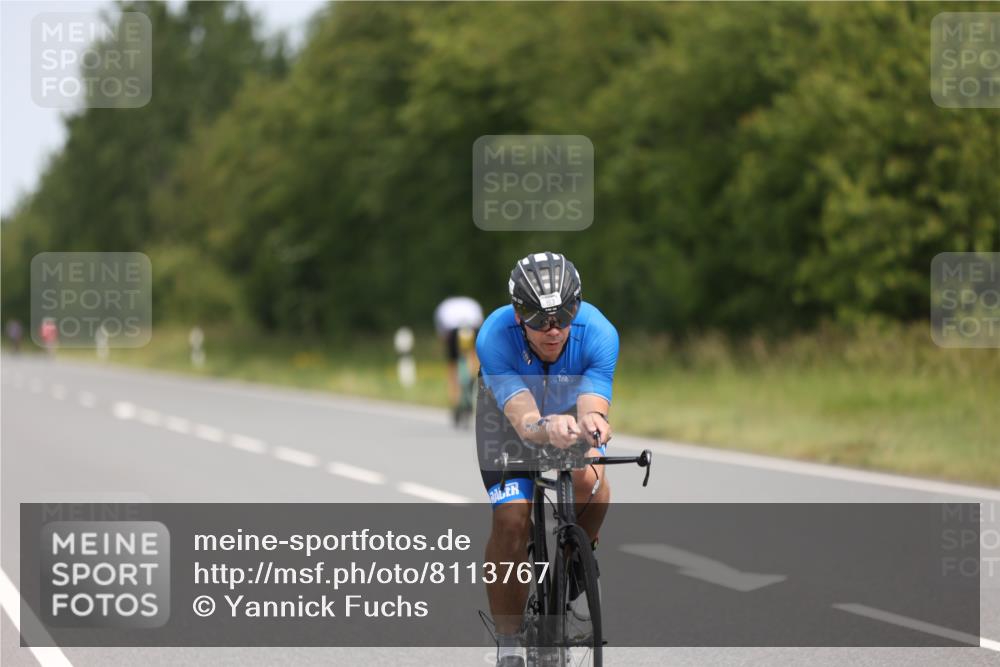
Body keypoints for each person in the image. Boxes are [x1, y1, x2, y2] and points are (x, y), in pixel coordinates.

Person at [475, 252, 618, 667]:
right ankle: (509, 643)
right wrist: (545, 428)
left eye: (564, 315)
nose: (553, 330)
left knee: (592, 481)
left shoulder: (599, 332)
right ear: (519, 316)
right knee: (512, 519)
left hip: (568, 411)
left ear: (577, 304)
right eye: (540, 321)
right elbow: (524, 422)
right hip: (506, 420)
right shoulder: (494, 336)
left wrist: (593, 424)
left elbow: (592, 406)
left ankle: (577, 568)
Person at [433, 296, 484, 425]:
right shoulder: (472, 303)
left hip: (453, 330)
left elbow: (443, 335)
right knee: (474, 354)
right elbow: (482, 329)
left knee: (453, 366)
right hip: (473, 327)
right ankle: (474, 374)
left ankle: (455, 402)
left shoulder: (443, 307)